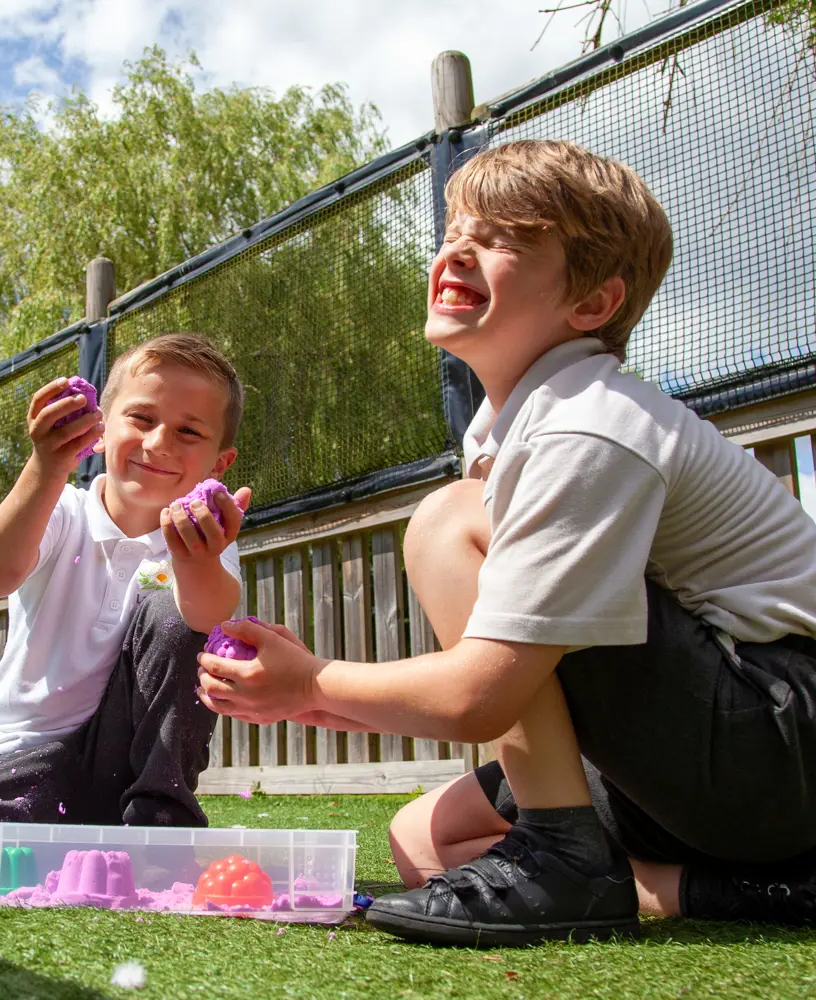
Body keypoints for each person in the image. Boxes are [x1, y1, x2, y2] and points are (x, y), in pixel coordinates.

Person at [196, 140, 816, 946]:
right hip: (714, 763)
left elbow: (482, 695)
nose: (456, 248)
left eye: (501, 239)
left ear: (592, 303)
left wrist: (314, 676)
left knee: (446, 518)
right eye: (454, 229)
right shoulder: (519, 428)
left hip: (777, 739)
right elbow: (522, 685)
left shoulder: (591, 426)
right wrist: (317, 695)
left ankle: (566, 859)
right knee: (426, 842)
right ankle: (742, 890)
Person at [0, 333, 249, 886]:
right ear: (101, 429)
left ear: (218, 462)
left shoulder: (206, 536)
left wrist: (196, 561)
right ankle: (92, 845)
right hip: (29, 757)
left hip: (133, 760)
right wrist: (44, 466)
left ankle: (159, 829)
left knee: (172, 611)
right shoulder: (61, 509)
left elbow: (205, 619)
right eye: (142, 417)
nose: (159, 443)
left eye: (188, 431)